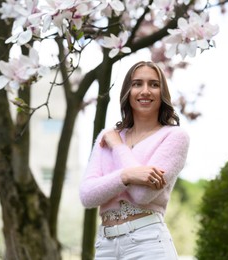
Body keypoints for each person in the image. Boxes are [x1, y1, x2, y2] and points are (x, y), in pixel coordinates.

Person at [79, 61, 190, 259]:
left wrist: (119, 148)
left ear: (162, 93)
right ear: (127, 91)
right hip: (105, 247)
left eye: (154, 85)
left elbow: (142, 195)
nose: (145, 91)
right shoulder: (109, 137)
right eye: (137, 84)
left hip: (147, 242)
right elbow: (87, 195)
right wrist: (127, 175)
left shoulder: (174, 137)